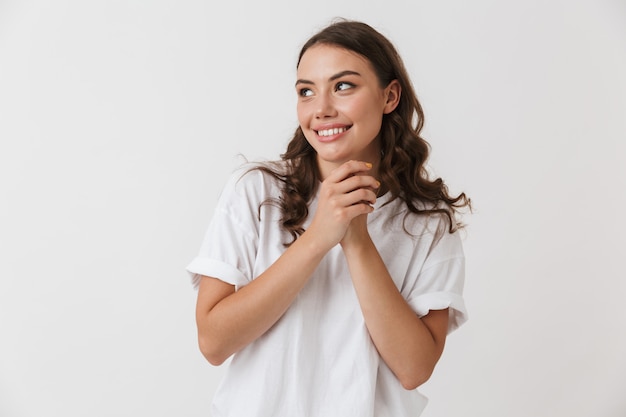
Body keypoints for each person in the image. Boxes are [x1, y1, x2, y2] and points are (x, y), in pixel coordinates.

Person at [186, 18, 471, 417]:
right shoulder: (255, 191)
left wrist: (356, 238)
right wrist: (319, 236)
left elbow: (414, 368)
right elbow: (213, 342)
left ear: (390, 97)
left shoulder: (427, 224)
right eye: (306, 91)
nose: (321, 109)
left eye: (343, 86)